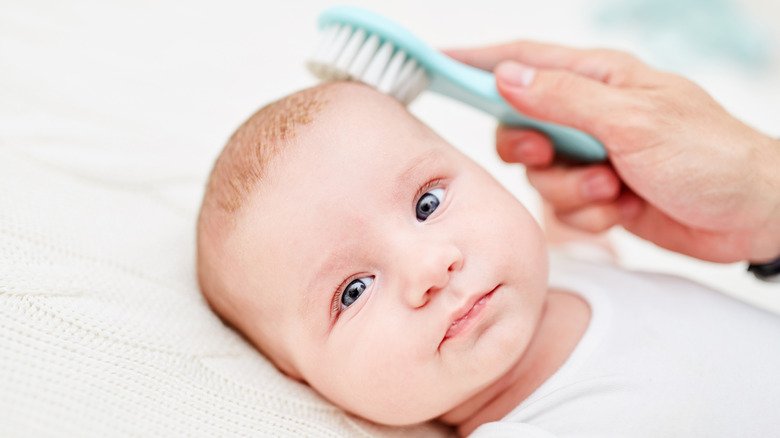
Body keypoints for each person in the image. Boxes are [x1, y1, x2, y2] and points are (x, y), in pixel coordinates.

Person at [196, 80, 780, 437]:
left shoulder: (569, 268)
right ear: (299, 377)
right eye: (353, 290)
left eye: (427, 203)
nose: (430, 267)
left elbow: (578, 242)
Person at [446, 40, 780, 270]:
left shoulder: (573, 275)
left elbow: (582, 251)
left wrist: (767, 204)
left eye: (427, 205)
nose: (431, 265)